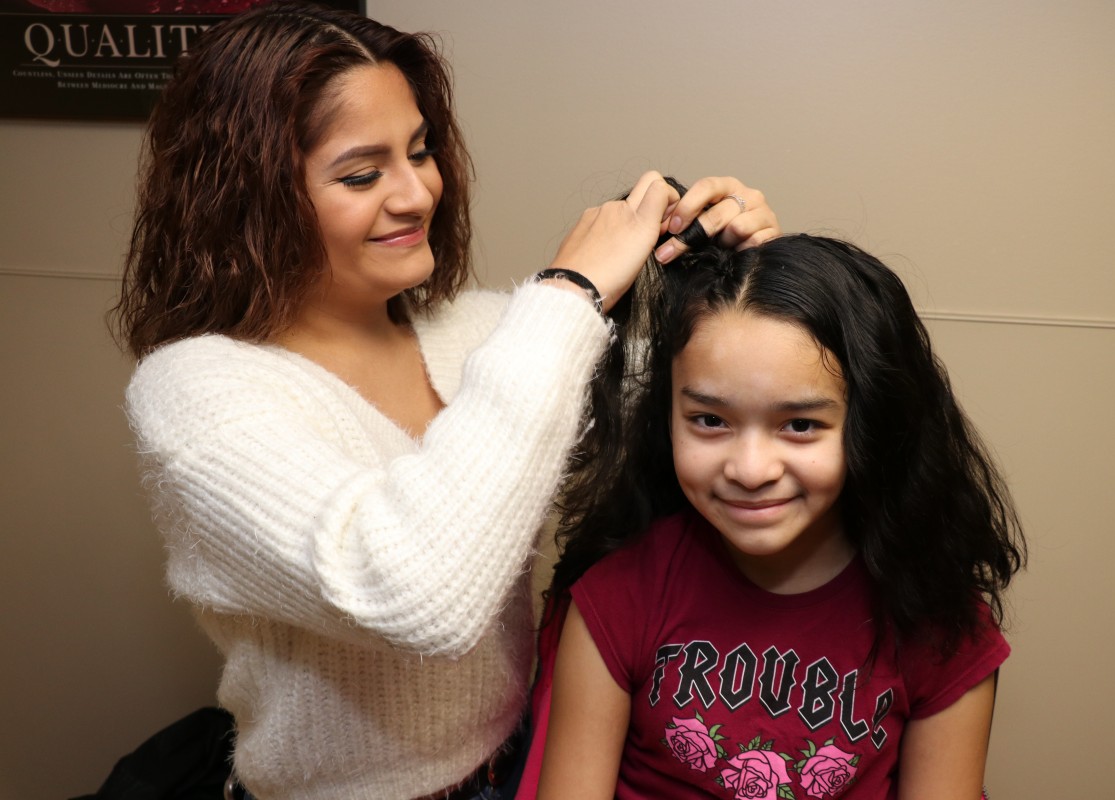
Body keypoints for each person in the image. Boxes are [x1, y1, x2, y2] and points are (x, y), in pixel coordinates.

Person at [111, 2, 780, 798]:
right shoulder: (196, 391)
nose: (416, 193)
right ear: (249, 197)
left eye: (420, 151)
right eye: (362, 174)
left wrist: (737, 275)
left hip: (524, 763)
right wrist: (569, 295)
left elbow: (693, 419)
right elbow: (417, 594)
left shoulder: (479, 332)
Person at [534, 234, 1026, 799]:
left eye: (799, 425)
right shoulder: (619, 595)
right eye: (710, 420)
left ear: (873, 425)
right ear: (665, 415)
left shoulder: (938, 621)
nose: (750, 469)